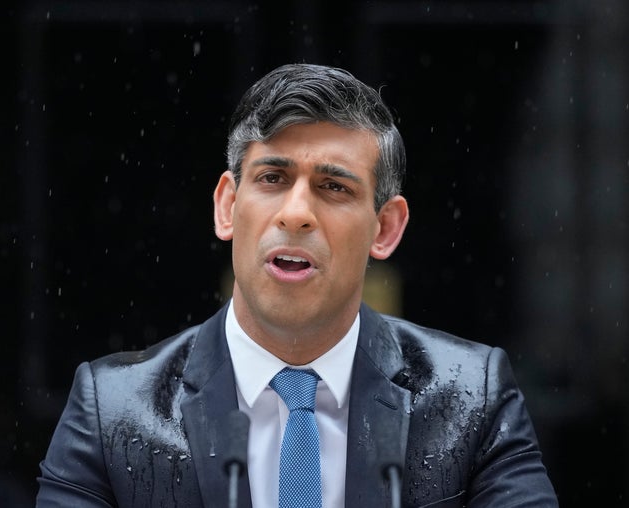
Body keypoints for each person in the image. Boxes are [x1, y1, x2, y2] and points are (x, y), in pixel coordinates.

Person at [36, 63, 558, 507]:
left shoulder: (473, 398)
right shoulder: (112, 409)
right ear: (227, 206)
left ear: (386, 228)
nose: (296, 213)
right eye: (272, 178)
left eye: (333, 186)